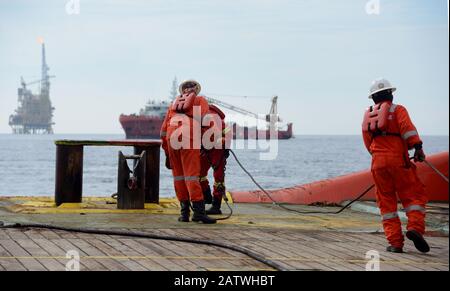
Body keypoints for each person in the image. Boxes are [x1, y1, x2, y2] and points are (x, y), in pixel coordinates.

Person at [362, 78, 429, 253]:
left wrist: (380, 157)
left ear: (374, 98)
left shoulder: (369, 115)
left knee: (386, 204)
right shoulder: (398, 110)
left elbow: (368, 143)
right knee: (413, 197)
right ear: (390, 94)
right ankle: (415, 228)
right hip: (398, 161)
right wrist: (418, 147)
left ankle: (395, 244)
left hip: (377, 163)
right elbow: (408, 130)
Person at [160, 80, 216, 224]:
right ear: (196, 90)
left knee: (178, 176)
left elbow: (163, 131)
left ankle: (184, 213)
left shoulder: (173, 105)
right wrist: (206, 144)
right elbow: (207, 123)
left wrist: (167, 152)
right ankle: (198, 213)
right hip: (188, 136)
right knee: (191, 176)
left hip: (172, 137)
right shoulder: (199, 100)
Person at [199, 104, 231, 215]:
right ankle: (208, 198)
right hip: (209, 147)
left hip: (217, 148)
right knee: (201, 173)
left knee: (216, 176)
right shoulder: (204, 115)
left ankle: (214, 204)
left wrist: (225, 147)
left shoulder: (208, 116)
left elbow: (219, 132)